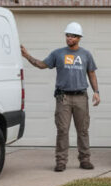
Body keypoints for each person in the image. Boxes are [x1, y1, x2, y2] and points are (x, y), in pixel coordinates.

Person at [20, 22, 100, 172]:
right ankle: (61, 162)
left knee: (83, 130)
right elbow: (42, 65)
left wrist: (96, 92)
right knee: (62, 130)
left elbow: (91, 73)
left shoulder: (86, 54)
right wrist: (27, 56)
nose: (69, 38)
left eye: (73, 36)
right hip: (63, 98)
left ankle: (85, 160)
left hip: (81, 97)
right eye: (67, 35)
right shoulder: (58, 54)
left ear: (79, 38)